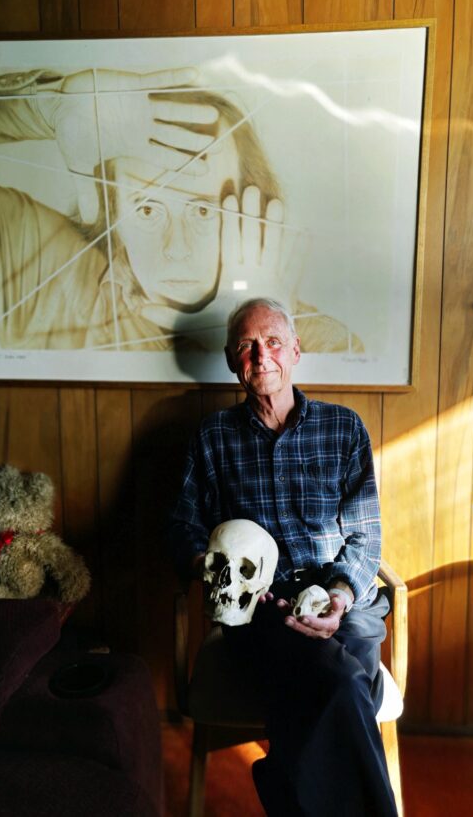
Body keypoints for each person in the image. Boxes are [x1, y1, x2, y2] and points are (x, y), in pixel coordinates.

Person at [168, 296, 397, 816]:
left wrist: (339, 596)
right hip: (262, 607)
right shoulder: (211, 438)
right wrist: (208, 567)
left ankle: (283, 780)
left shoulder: (344, 429)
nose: (260, 355)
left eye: (272, 342)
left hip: (343, 603)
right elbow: (182, 526)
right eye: (246, 346)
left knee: (336, 670)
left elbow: (365, 537)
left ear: (295, 350)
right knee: (341, 681)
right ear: (231, 359)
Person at [0, 67, 363, 353]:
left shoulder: (324, 345)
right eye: (146, 209)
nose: (176, 248)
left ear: (252, 210)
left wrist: (259, 335)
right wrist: (45, 107)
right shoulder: (42, 279)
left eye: (203, 211)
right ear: (113, 212)